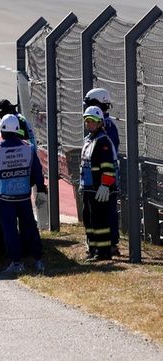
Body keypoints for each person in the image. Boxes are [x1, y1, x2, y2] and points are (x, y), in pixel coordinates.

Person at [0, 114, 47, 275]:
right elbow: (38, 172)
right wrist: (41, 190)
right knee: (30, 227)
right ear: (18, 130)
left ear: (1, 130)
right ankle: (38, 261)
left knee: (10, 231)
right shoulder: (28, 148)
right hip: (24, 196)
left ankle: (17, 262)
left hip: (5, 198)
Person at [83, 87, 121, 255]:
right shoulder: (94, 131)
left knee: (105, 215)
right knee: (91, 215)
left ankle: (108, 246)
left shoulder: (106, 130)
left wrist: (106, 183)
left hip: (104, 181)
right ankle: (95, 246)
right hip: (92, 183)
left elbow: (107, 159)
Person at [79, 105, 117, 261]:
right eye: (87, 121)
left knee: (100, 220)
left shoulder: (103, 142)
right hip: (88, 188)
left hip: (99, 190)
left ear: (100, 123)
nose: (89, 124)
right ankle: (93, 249)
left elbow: (108, 167)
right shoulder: (89, 140)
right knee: (88, 218)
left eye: (93, 121)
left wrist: (105, 185)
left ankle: (104, 252)